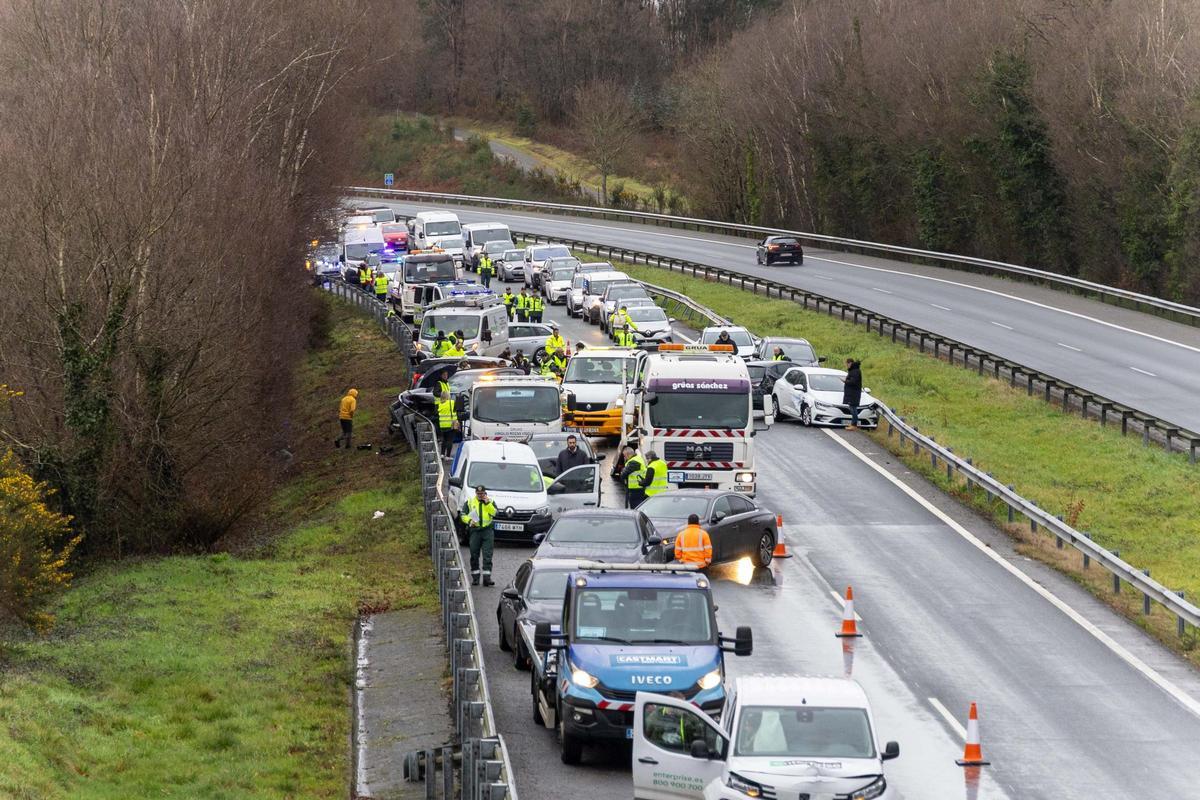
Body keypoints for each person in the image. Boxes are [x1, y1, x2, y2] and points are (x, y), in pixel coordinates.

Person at [460, 485, 497, 586]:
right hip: (475, 531)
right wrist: (469, 521)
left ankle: (487, 578)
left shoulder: (491, 501)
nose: (480, 495)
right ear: (476, 493)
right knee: (474, 554)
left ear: (485, 493)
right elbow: (463, 515)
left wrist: (487, 503)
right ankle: (475, 578)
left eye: (482, 493)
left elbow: (494, 513)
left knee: (487, 555)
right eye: (478, 494)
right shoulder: (470, 502)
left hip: (487, 531)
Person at [842, 358, 863, 430]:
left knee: (853, 409)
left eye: (847, 364)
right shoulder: (854, 370)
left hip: (854, 393)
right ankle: (853, 424)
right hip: (852, 393)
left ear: (850, 363)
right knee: (852, 408)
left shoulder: (855, 371)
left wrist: (845, 381)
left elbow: (853, 382)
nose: (846, 365)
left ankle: (854, 425)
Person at [436, 390, 458, 455]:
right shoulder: (451, 402)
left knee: (444, 440)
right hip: (450, 424)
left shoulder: (440, 404)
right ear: (448, 396)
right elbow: (457, 409)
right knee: (450, 441)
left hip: (442, 425)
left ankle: (442, 454)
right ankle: (448, 456)